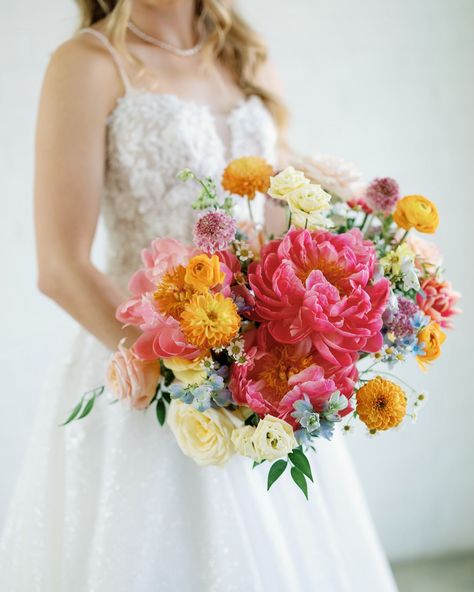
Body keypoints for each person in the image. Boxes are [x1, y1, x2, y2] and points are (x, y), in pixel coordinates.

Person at [0, 1, 398, 590]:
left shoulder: (247, 56)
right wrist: (186, 370)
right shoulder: (87, 62)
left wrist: (323, 305)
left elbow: (275, 218)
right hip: (141, 365)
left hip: (261, 373)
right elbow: (60, 266)